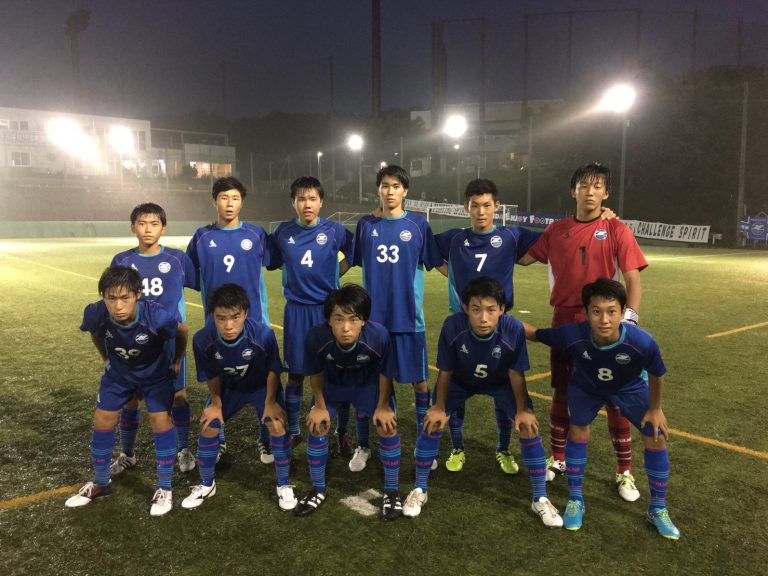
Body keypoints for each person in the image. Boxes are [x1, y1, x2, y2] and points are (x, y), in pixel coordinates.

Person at [518, 163, 647, 501]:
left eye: (597, 186)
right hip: (565, 319)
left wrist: (630, 320)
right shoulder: (556, 230)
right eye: (584, 186)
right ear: (572, 191)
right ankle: (558, 458)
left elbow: (632, 278)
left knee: (615, 396)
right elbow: (524, 258)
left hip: (604, 321)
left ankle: (624, 471)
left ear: (606, 193)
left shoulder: (616, 228)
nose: (590, 192)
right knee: (563, 390)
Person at [524, 278, 680, 539]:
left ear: (623, 312)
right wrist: (501, 320)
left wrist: (655, 409)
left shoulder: (642, 342)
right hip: (586, 387)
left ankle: (657, 508)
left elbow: (657, 374)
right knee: (577, 430)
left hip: (629, 386)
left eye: (611, 311)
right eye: (596, 311)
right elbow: (536, 334)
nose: (604, 319)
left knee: (656, 433)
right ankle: (576, 499)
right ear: (586, 313)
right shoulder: (573, 334)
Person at [401, 277, 563, 528]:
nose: (483, 318)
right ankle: (419, 489)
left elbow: (515, 373)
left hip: (501, 382)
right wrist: (439, 406)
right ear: (465, 308)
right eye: (476, 309)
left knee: (528, 425)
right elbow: (446, 371)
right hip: (461, 381)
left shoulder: (513, 328)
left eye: (490, 310)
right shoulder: (453, 326)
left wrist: (523, 410)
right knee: (432, 421)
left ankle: (540, 498)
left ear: (502, 309)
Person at [434, 178, 541, 475]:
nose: (481, 212)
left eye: (486, 205)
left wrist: (603, 217)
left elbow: (549, 242)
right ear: (465, 208)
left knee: (502, 383)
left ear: (496, 206)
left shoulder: (511, 236)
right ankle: (457, 448)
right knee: (457, 382)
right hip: (462, 322)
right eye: (475, 206)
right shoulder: (454, 238)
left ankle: (503, 449)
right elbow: (424, 249)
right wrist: (452, 275)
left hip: (500, 324)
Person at [65, 266, 187, 517]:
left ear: (137, 294)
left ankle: (165, 488)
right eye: (111, 298)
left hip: (155, 376)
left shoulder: (156, 316)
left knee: (160, 420)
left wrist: (176, 361)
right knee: (102, 419)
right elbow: (95, 333)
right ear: (103, 297)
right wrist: (106, 359)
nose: (118, 306)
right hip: (119, 375)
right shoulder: (96, 313)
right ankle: (101, 483)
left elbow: (182, 331)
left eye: (125, 298)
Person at [352, 164, 443, 471]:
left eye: (395, 186)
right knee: (372, 383)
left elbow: (437, 263)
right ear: (378, 190)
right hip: (373, 322)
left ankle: (423, 446)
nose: (390, 191)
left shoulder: (418, 225)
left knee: (420, 383)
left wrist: (469, 284)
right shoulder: (366, 225)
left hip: (409, 319)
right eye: (385, 186)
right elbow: (349, 260)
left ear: (405, 191)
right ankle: (364, 445)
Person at [181, 284, 296, 511]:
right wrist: (216, 403)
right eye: (221, 318)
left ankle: (283, 484)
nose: (228, 325)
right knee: (209, 425)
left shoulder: (263, 334)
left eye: (235, 317)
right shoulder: (203, 339)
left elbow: (273, 370)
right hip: (230, 389)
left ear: (245, 313)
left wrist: (270, 402)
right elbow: (212, 375)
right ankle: (207, 485)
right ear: (212, 316)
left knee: (276, 424)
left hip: (261, 387)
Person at [294, 284, 402, 520]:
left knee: (387, 425)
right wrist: (319, 406)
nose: (345, 327)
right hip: (334, 386)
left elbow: (386, 374)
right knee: (317, 424)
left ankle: (392, 491)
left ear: (363, 320)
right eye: (338, 319)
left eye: (353, 319)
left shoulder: (379, 336)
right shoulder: (316, 337)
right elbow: (316, 374)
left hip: (367, 386)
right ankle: (317, 488)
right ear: (328, 320)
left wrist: (383, 406)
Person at [186, 177, 273, 464]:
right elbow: (189, 274)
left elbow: (278, 259)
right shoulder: (201, 236)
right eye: (224, 198)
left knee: (261, 381)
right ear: (214, 201)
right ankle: (218, 438)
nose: (229, 203)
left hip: (254, 322)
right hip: (217, 324)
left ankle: (266, 440)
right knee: (218, 381)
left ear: (242, 202)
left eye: (235, 198)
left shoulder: (257, 234)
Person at [109, 203, 197, 478]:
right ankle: (128, 454)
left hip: (168, 339)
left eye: (154, 223)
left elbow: (200, 284)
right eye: (142, 223)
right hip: (133, 341)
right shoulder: (121, 260)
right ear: (133, 227)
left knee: (178, 396)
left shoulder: (178, 259)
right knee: (131, 398)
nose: (148, 229)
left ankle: (183, 449)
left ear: (164, 228)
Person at [268, 177, 354, 453]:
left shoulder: (335, 230)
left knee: (335, 371)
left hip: (328, 311)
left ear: (321, 202)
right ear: (293, 202)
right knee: (295, 373)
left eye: (313, 199)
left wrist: (336, 273)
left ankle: (341, 431)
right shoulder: (282, 232)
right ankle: (294, 430)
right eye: (302, 199)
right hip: (296, 311)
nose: (307, 204)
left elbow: (356, 252)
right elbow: (271, 261)